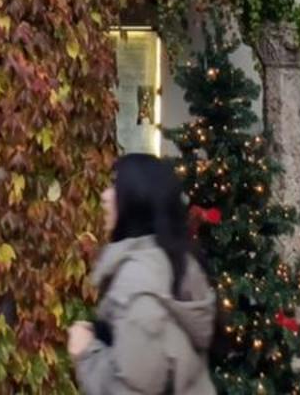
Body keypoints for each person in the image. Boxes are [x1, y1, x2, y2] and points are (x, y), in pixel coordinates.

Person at [68, 154, 216, 394]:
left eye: (115, 186)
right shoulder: (176, 263)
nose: (105, 196)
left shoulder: (138, 281)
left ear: (137, 199)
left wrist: (87, 352)